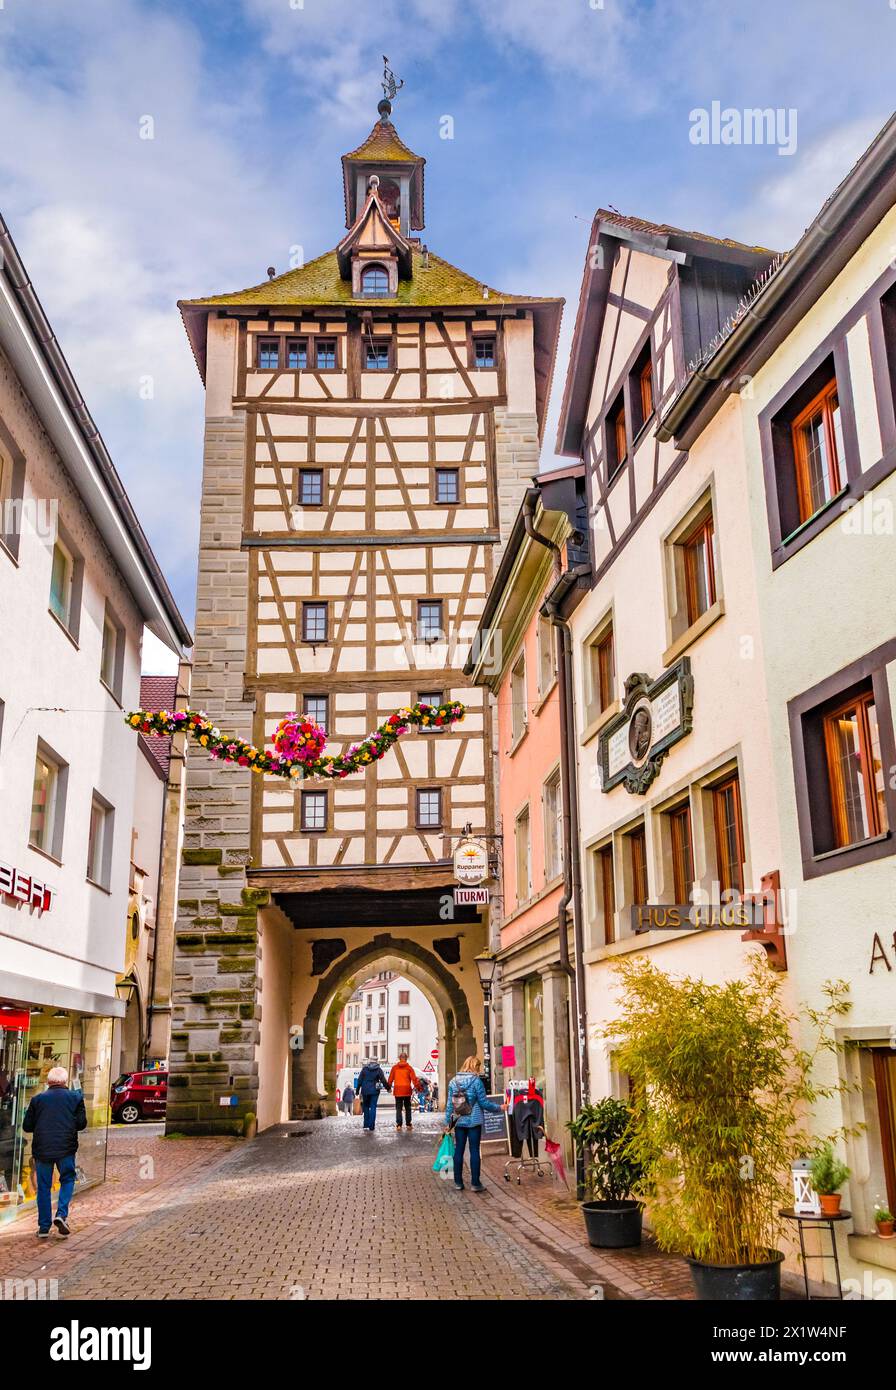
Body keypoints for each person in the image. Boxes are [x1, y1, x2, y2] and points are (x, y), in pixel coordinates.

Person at [21, 1065, 87, 1238]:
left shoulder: (37, 1099)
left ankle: (43, 1228)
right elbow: (82, 1124)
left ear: (48, 1081)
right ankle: (61, 1214)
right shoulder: (76, 1098)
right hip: (66, 1148)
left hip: (42, 1149)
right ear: (65, 1081)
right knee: (67, 1179)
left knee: (43, 1186)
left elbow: (27, 1126)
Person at [444, 1056, 506, 1193]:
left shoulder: (453, 1081)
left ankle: (458, 1182)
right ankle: (475, 1183)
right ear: (475, 1067)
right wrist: (499, 1108)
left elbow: (449, 1105)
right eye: (478, 1067)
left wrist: (448, 1122)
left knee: (458, 1150)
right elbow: (484, 1103)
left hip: (459, 1121)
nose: (479, 1070)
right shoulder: (477, 1081)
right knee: (474, 1151)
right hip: (474, 1120)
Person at [356, 1057, 390, 1132]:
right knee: (373, 1107)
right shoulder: (378, 1070)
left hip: (365, 1090)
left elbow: (359, 1080)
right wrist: (388, 1088)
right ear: (377, 1062)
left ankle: (366, 1124)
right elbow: (383, 1080)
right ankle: (371, 1126)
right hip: (374, 1091)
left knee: (366, 1107)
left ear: (369, 1061)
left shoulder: (365, 1069)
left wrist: (357, 1091)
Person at [387, 1053, 418, 1131]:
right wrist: (418, 1087)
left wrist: (388, 1087)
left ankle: (399, 1125)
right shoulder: (409, 1068)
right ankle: (408, 1124)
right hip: (407, 1090)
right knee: (408, 1108)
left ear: (399, 1058)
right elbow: (414, 1079)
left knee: (398, 1108)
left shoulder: (394, 1068)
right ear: (406, 1058)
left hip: (398, 1090)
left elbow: (390, 1079)